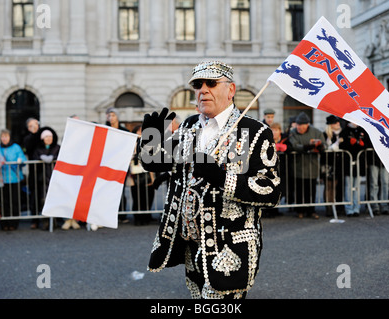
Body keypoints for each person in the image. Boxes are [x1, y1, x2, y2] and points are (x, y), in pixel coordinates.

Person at [139, 61, 281, 299]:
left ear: (231, 90)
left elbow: (271, 191)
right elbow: (163, 163)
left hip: (229, 247)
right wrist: (149, 148)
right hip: (189, 245)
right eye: (197, 84)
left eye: (211, 83)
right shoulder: (190, 126)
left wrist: (222, 178)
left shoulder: (251, 130)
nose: (203, 89)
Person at [288, 112, 326, 219]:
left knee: (311, 190)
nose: (299, 128)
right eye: (298, 125)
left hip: (312, 166)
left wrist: (320, 146)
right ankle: (299, 210)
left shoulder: (316, 132)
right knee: (299, 190)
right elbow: (294, 145)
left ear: (307, 125)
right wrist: (308, 147)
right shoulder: (293, 132)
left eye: (301, 126)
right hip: (298, 166)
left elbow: (324, 144)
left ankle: (311, 210)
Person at [0, 129, 27, 230]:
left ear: (10, 137)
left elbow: (22, 159)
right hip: (2, 179)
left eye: (6, 136)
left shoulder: (16, 147)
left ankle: (14, 223)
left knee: (14, 201)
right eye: (2, 136)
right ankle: (4, 223)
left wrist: (20, 160)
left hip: (14, 178)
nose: (4, 138)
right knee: (3, 201)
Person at [31, 127, 60, 229]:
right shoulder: (38, 149)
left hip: (55, 178)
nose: (48, 138)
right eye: (46, 137)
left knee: (55, 200)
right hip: (43, 179)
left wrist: (53, 158)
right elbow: (35, 158)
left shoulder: (57, 147)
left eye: (50, 136)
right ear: (43, 138)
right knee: (44, 201)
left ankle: (54, 222)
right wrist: (41, 158)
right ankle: (46, 222)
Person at [106, 107, 130, 224]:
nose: (111, 118)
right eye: (109, 115)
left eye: (113, 115)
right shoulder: (106, 130)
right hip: (108, 165)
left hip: (121, 165)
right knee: (108, 190)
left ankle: (122, 214)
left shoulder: (124, 131)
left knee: (120, 190)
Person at [339, 122, 368, 217]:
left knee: (357, 187)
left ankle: (356, 207)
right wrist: (350, 143)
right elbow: (341, 145)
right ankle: (349, 208)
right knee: (348, 186)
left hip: (359, 162)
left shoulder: (362, 130)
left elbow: (367, 143)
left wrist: (360, 144)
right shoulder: (344, 131)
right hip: (348, 162)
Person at [130, 125, 155, 225]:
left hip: (146, 173)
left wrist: (153, 178)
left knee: (147, 197)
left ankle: (146, 217)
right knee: (136, 197)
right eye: (138, 131)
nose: (140, 133)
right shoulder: (131, 144)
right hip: (135, 174)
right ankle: (137, 218)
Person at [321, 115, 344, 217]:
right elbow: (324, 148)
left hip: (338, 163)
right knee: (328, 186)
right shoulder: (325, 134)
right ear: (330, 125)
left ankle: (337, 206)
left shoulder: (342, 133)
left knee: (336, 186)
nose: (338, 124)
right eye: (335, 122)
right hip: (327, 163)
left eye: (338, 122)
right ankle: (328, 207)